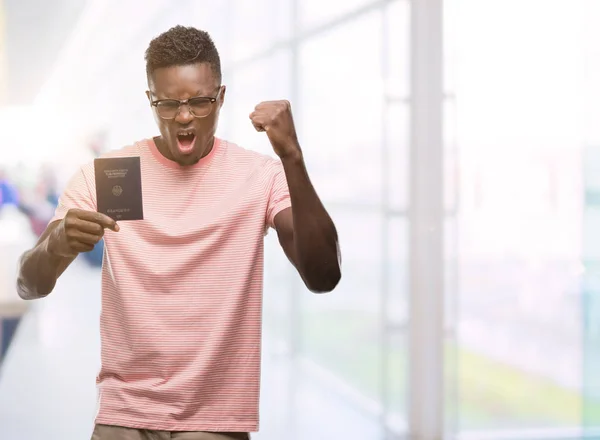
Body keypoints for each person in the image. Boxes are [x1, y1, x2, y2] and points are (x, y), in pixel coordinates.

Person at [16, 25, 341, 440]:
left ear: (220, 97)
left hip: (216, 420)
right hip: (124, 413)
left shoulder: (259, 175)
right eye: (168, 104)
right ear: (151, 100)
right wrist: (57, 242)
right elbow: (29, 285)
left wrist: (292, 155)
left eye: (200, 102)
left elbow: (324, 275)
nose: (184, 117)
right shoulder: (113, 174)